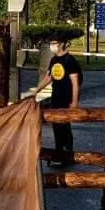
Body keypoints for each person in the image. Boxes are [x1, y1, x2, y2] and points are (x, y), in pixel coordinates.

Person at [33, 35, 81, 167]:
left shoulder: (69, 60)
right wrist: (37, 90)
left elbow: (75, 82)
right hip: (56, 96)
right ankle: (63, 152)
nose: (52, 46)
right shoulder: (54, 60)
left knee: (62, 126)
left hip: (67, 98)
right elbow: (49, 77)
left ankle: (64, 154)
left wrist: (75, 102)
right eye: (51, 43)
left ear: (62, 44)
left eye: (54, 43)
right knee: (58, 126)